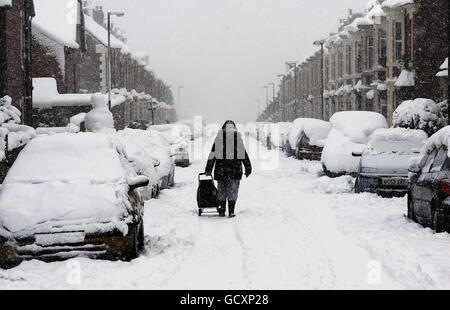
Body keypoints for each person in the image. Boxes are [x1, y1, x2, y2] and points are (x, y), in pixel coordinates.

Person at [205, 120, 252, 217]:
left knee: (232, 191)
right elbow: (212, 154)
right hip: (223, 170)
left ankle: (231, 211)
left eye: (231, 128)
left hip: (232, 171)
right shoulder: (219, 139)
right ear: (224, 129)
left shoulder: (237, 140)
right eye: (228, 128)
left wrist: (248, 167)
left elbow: (243, 154)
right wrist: (208, 168)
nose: (230, 131)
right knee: (222, 191)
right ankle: (222, 210)